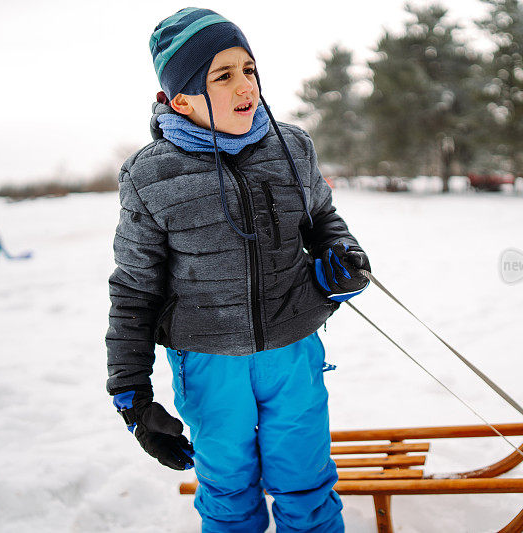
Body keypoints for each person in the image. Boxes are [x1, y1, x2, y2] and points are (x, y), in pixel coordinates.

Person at [105, 7, 370, 533]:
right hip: (207, 364)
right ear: (180, 99)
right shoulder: (149, 176)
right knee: (228, 491)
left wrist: (340, 253)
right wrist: (133, 398)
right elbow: (133, 290)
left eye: (248, 69)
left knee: (306, 483)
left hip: (293, 351)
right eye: (221, 75)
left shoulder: (291, 148)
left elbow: (321, 217)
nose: (244, 84)